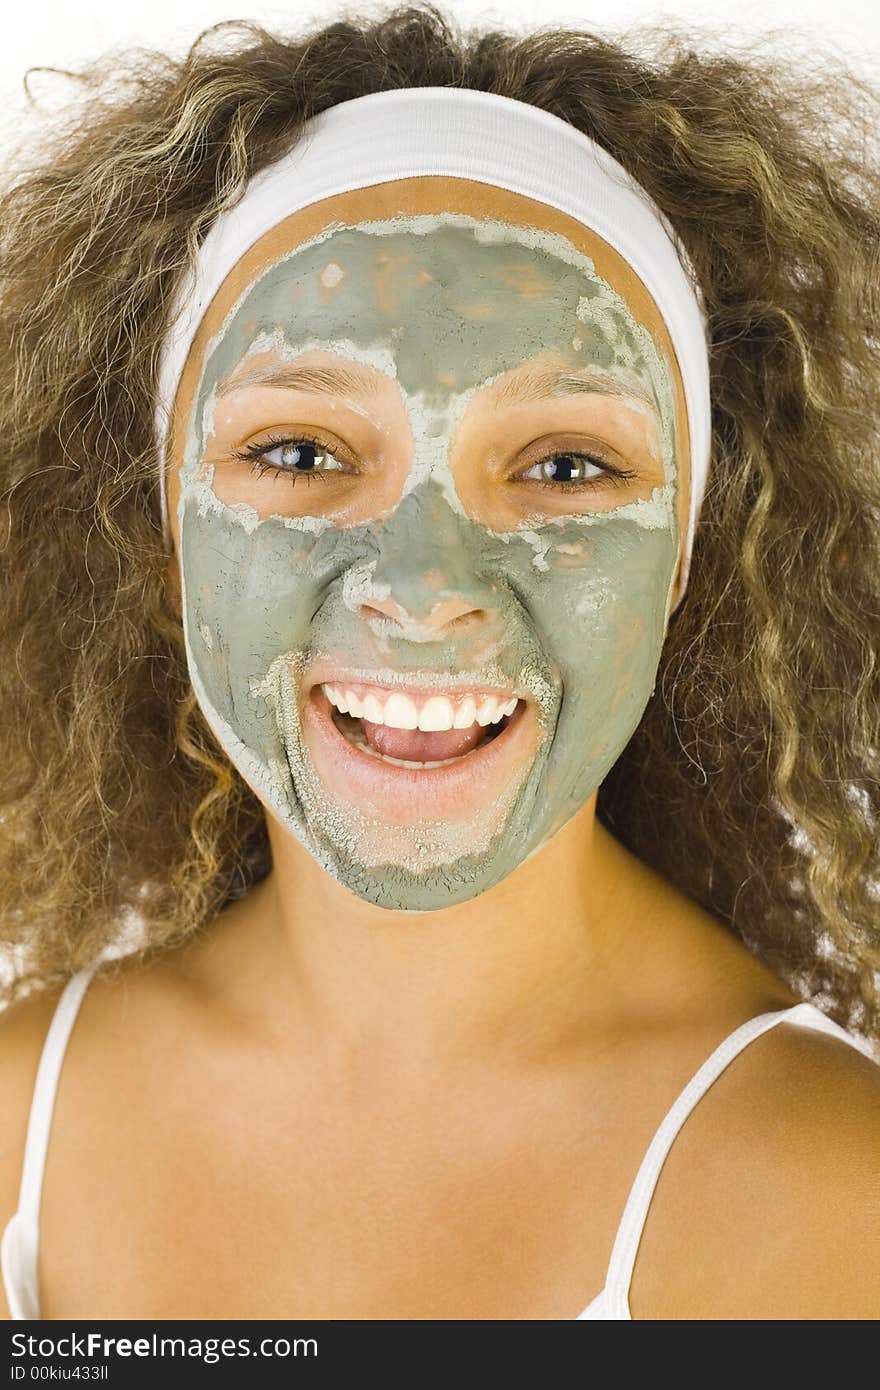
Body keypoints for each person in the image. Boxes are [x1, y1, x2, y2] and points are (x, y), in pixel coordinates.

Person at [1, 4, 879, 1321]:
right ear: (166, 531)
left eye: (567, 466)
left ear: (685, 557)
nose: (423, 591)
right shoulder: (27, 1124)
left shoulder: (826, 1197)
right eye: (298, 453)